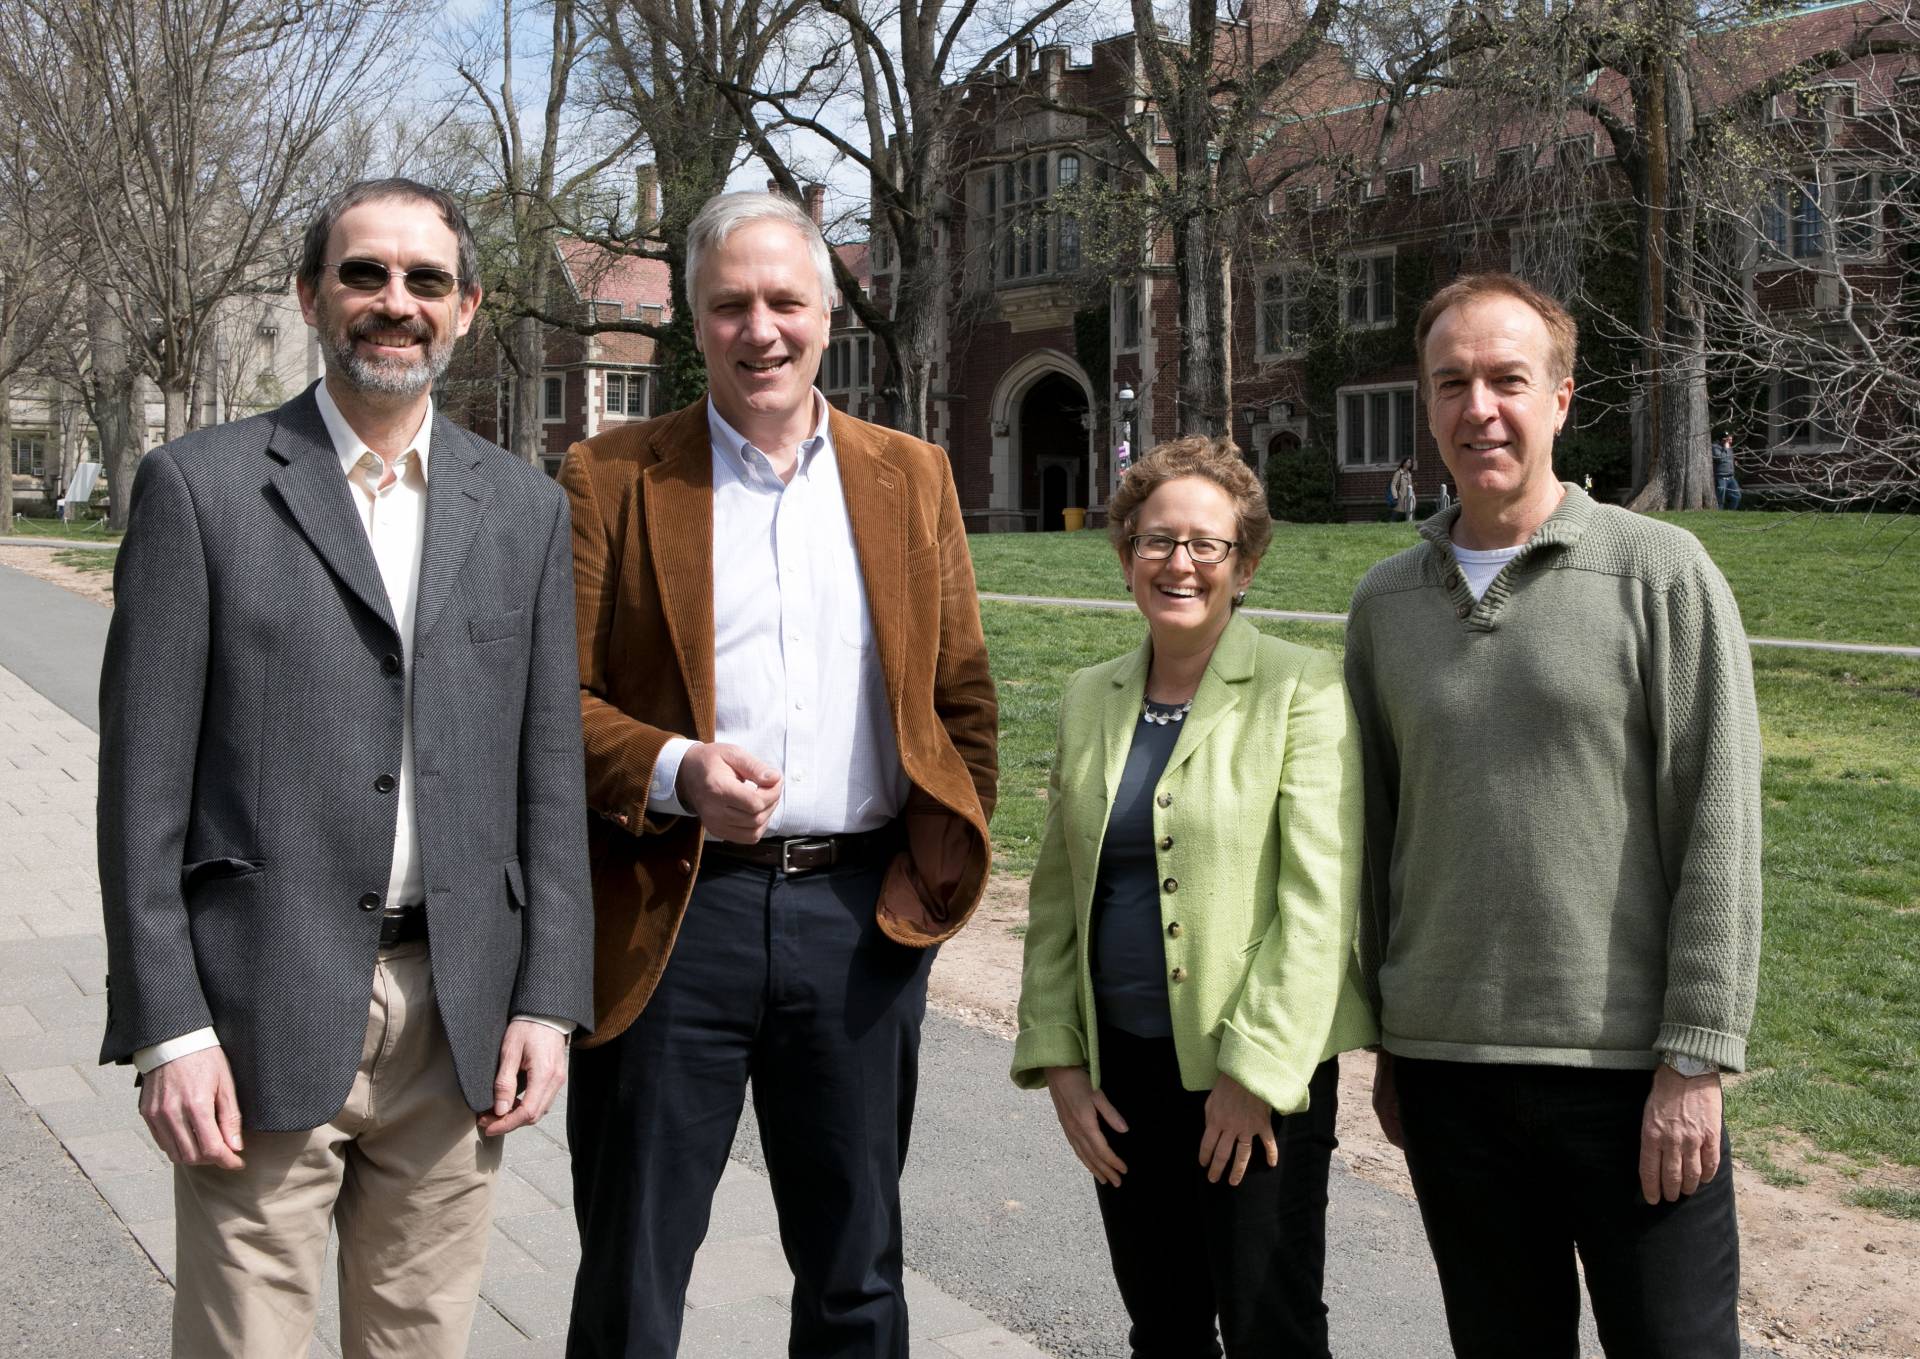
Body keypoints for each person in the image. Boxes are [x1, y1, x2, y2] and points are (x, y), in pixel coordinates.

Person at [96, 178, 594, 1356]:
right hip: (255, 1006)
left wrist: (548, 998)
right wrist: (168, 1026)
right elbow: (141, 793)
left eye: (426, 281)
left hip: (458, 1011)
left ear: (467, 307)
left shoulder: (522, 508)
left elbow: (548, 771)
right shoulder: (201, 491)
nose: (395, 303)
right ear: (312, 294)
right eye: (365, 274)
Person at [559, 190, 999, 1359]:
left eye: (784, 302)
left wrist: (929, 878)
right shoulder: (609, 479)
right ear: (695, 323)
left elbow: (962, 704)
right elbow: (547, 706)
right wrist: (671, 768)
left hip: (855, 924)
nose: (761, 330)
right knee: (633, 1269)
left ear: (824, 316)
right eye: (731, 306)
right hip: (672, 913)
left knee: (857, 1269)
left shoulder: (912, 477)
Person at [1344, 273, 1762, 1358]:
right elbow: (1377, 835)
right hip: (1449, 1074)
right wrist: (1389, 1042)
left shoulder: (1661, 573)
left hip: (1627, 1076)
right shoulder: (1386, 602)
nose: (1479, 407)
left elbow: (1719, 823)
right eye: (1452, 383)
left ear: (1562, 399)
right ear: (1428, 407)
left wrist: (1696, 1058)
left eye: (1506, 380)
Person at [1012, 437, 1376, 1359]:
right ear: (1126, 553)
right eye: (1156, 540)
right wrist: (1061, 1060)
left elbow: (1320, 901)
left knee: (1270, 1325)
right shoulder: (1089, 696)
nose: (1180, 563)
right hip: (1122, 1076)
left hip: (1256, 1078)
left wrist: (1254, 1077)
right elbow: (1057, 897)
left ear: (1244, 565)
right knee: (1163, 1325)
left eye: (1206, 545)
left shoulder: (1302, 688)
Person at [1715, 432, 1742, 510]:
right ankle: (1719, 514)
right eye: (1728, 439)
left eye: (1731, 439)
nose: (1730, 442)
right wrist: (1725, 448)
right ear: (1723, 439)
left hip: (1731, 477)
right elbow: (1720, 459)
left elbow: (1729, 460)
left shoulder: (1730, 448)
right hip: (1721, 477)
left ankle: (1730, 513)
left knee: (1737, 496)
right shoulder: (1715, 447)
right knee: (1720, 499)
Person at [1390, 456, 1417, 522]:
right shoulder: (1398, 473)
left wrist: (1413, 485)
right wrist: (1395, 496)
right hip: (1400, 496)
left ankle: (1410, 522)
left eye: (1410, 462)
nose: (1410, 464)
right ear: (1404, 463)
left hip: (1409, 495)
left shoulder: (1409, 474)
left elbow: (1409, 485)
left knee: (1411, 509)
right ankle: (1391, 522)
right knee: (1397, 510)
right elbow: (1393, 485)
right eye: (1408, 462)